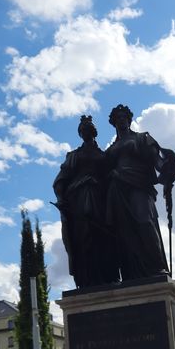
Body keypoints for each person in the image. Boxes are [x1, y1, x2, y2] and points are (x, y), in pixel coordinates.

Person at [105, 104, 175, 281]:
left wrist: (167, 171)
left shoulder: (141, 138)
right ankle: (131, 272)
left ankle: (157, 266)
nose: (121, 120)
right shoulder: (111, 148)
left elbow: (157, 160)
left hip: (138, 184)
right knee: (124, 231)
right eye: (118, 118)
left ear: (129, 120)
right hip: (117, 189)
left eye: (124, 117)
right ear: (113, 122)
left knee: (144, 221)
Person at [52, 115, 119, 287]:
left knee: (104, 237)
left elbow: (112, 177)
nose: (86, 133)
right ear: (80, 134)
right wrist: (60, 198)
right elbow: (61, 179)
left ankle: (107, 275)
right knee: (83, 237)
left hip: (102, 200)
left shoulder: (104, 156)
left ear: (94, 132)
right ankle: (87, 278)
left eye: (88, 130)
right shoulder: (74, 155)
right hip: (79, 200)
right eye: (82, 131)